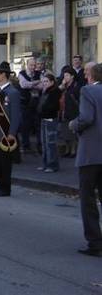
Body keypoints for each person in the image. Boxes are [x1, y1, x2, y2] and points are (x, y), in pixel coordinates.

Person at [69, 63, 102, 257]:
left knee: (88, 198)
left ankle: (95, 241)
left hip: (91, 152)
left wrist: (74, 125)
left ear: (89, 75)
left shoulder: (88, 91)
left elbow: (87, 118)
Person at [0, 61, 21, 197]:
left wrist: (12, 133)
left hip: (5, 132)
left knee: (4, 163)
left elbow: (16, 115)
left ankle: (5, 188)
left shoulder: (12, 92)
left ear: (4, 75)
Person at [37, 73, 61, 173]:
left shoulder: (55, 91)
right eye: (43, 82)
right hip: (44, 118)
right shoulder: (44, 91)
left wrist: (43, 110)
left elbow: (54, 106)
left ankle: (52, 165)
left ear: (52, 82)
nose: (44, 83)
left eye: (46, 81)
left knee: (50, 143)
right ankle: (45, 164)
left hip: (51, 119)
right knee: (44, 143)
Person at [18, 57, 42, 153]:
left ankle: (39, 145)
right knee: (25, 125)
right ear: (27, 65)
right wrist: (35, 82)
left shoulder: (39, 74)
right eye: (31, 65)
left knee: (38, 125)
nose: (33, 67)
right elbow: (23, 85)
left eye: (34, 65)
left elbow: (43, 86)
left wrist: (31, 84)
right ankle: (25, 145)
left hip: (37, 103)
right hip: (25, 103)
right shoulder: (22, 74)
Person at [58, 67, 80, 158]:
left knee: (72, 132)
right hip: (63, 111)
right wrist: (62, 86)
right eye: (64, 75)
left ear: (72, 76)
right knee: (65, 132)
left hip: (72, 111)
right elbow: (56, 93)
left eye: (67, 75)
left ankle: (73, 150)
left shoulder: (76, 86)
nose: (65, 77)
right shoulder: (64, 86)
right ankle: (67, 149)